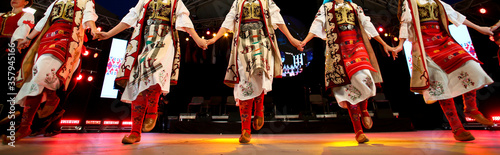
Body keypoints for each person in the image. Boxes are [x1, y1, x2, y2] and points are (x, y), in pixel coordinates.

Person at [95, 0, 207, 144]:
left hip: (164, 40)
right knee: (137, 82)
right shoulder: (145, 0)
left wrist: (197, 39)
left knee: (155, 70)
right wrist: (109, 34)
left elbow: (183, 19)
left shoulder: (175, 1)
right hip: (144, 41)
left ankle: (153, 108)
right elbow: (131, 17)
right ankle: (135, 132)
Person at [393, 0, 494, 141]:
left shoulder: (437, 1)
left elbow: (455, 15)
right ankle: (457, 128)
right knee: (440, 88)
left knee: (470, 65)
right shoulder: (409, 2)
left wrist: (479, 28)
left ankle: (471, 108)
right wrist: (400, 45)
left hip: (444, 41)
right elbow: (406, 24)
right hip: (425, 46)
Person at [2, 0, 98, 145]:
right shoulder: (56, 2)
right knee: (36, 76)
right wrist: (28, 39)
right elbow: (44, 21)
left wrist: (94, 29)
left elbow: (88, 16)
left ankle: (28, 123)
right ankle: (30, 120)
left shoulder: (84, 1)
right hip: (47, 38)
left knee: (41, 73)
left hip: (68, 38)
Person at [206, 0, 302, 143]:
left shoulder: (266, 1)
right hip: (243, 43)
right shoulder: (238, 2)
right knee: (245, 81)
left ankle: (258, 109)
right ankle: (245, 129)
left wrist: (291, 39)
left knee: (260, 73)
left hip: (262, 40)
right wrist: (213, 39)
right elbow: (228, 20)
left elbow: (277, 18)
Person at [300, 0, 394, 143]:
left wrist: (384, 44)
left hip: (357, 44)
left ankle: (364, 108)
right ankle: (358, 131)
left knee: (364, 76)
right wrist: (305, 41)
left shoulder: (355, 7)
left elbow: (367, 24)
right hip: (338, 50)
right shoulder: (326, 7)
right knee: (347, 89)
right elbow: (317, 24)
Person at [0, 0, 34, 141]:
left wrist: (15, 46)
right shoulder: (2, 15)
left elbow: (21, 33)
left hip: (10, 48)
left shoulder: (27, 16)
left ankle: (9, 115)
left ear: (26, 2)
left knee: (7, 82)